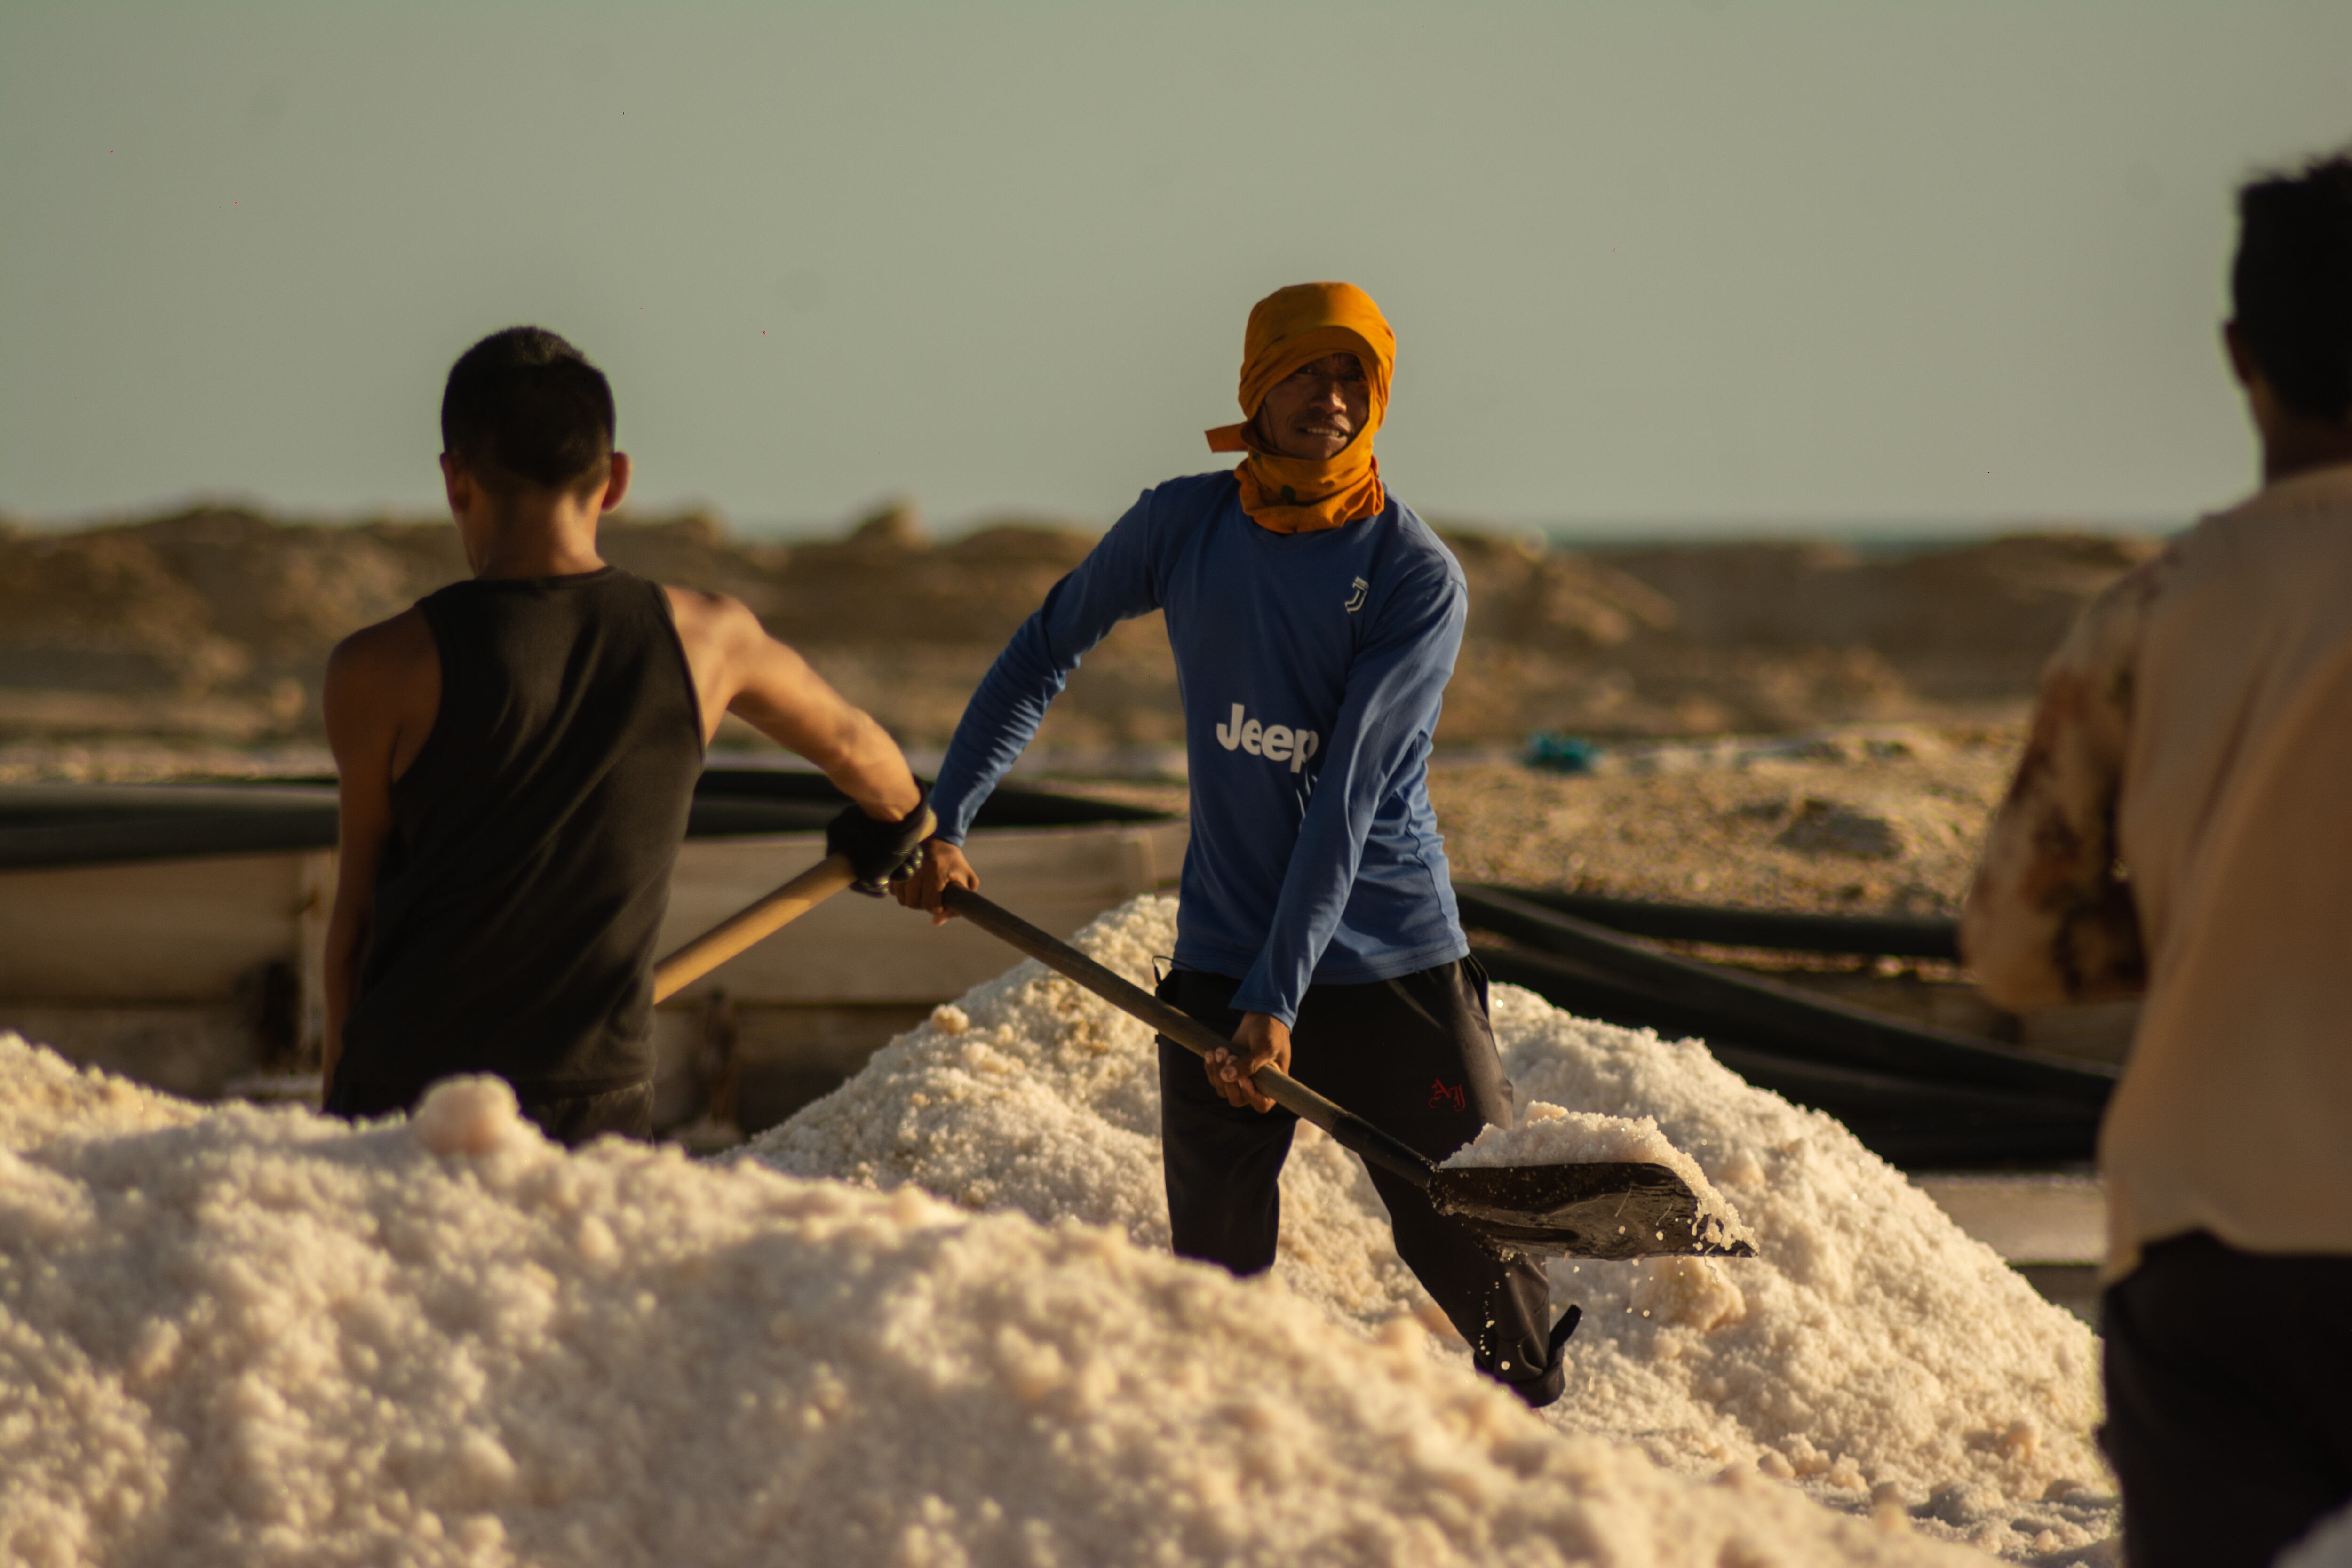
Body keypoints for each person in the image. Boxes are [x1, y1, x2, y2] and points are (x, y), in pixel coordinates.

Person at [896, 283, 1575, 1406]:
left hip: (1389, 968)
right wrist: (947, 817)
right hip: (1222, 964)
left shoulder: (1414, 576)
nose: (1332, 396)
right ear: (1257, 384)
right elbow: (1042, 649)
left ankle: (1531, 1468)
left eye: (1354, 374)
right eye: (1307, 369)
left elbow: (1345, 798)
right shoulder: (1182, 525)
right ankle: (1232, 1477)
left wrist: (1277, 998)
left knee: (1487, 1271)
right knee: (1211, 1303)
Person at [1963, 150, 2352, 1568]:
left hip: (2206, 1241)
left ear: (2242, 355)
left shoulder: (2152, 611)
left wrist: (2204, 921)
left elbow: (2016, 944)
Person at [322, 326, 930, 1146]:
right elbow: (862, 751)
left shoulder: (378, 667)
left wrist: (336, 1119)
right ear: (616, 480)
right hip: (594, 1100)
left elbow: (354, 927)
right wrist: (914, 829)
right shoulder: (709, 639)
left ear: (454, 479)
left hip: (405, 1095)